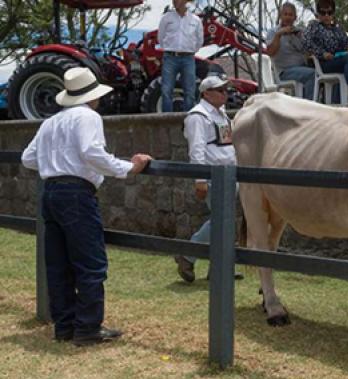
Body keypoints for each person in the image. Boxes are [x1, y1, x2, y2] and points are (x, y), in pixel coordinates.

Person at [21, 68, 152, 346]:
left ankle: (65, 326)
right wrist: (128, 168)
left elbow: (28, 158)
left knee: (58, 263)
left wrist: (53, 164)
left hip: (51, 191)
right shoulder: (88, 117)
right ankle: (88, 327)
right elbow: (91, 152)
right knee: (90, 261)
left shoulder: (50, 122)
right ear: (92, 96)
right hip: (76, 193)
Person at [174, 76, 244, 283]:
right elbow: (196, 150)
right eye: (220, 90)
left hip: (228, 173)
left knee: (225, 221)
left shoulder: (219, 114)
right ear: (206, 93)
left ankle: (218, 268)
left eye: (225, 90)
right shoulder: (198, 116)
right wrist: (200, 179)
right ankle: (188, 254)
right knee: (221, 221)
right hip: (215, 175)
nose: (225, 93)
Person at [158, 0, 203, 112]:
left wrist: (190, 51)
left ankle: (188, 120)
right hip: (170, 58)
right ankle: (167, 121)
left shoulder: (196, 20)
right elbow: (161, 38)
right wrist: (170, 49)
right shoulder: (166, 18)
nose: (174, 2)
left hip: (188, 59)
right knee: (166, 90)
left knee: (190, 91)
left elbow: (199, 41)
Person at [265, 2, 316, 100]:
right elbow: (271, 52)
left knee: (327, 71)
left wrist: (302, 38)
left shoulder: (299, 31)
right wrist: (278, 35)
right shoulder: (273, 32)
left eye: (291, 15)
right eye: (285, 14)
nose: (288, 17)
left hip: (303, 67)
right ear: (280, 16)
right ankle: (308, 106)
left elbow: (309, 52)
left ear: (295, 17)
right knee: (312, 75)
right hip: (285, 71)